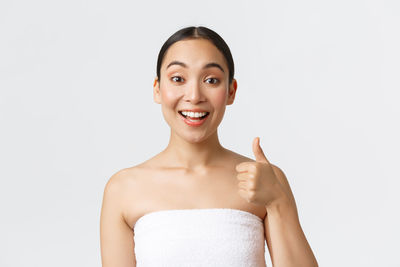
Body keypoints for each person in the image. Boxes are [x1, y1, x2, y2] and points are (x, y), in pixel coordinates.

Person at [100, 25, 318, 267]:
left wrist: (278, 201)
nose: (194, 95)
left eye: (211, 80)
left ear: (231, 91)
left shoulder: (264, 180)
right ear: (157, 89)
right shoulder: (123, 189)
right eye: (178, 79)